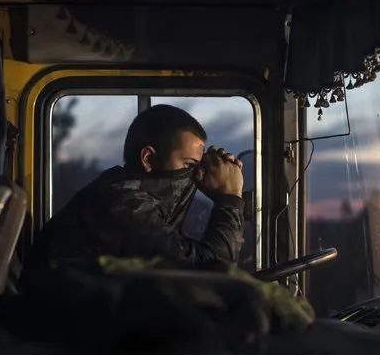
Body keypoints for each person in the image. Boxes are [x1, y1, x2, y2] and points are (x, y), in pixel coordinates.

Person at [30, 104, 245, 269]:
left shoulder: (126, 194)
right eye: (189, 165)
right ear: (149, 158)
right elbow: (209, 270)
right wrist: (229, 199)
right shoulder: (121, 204)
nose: (194, 175)